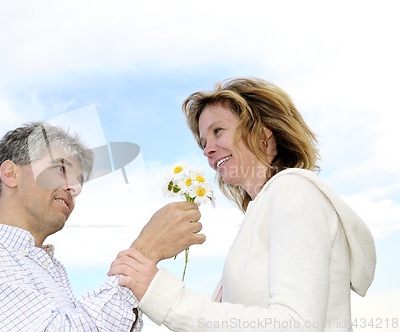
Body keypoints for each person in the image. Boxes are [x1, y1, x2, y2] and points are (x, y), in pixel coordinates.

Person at [109, 77, 377, 331]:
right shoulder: (263, 210)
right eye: (203, 142)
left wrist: (161, 294)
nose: (207, 150)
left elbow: (296, 324)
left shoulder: (294, 191)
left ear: (263, 134)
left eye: (218, 131)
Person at [0, 122, 205, 331]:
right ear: (10, 173)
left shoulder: (49, 269)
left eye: (78, 179)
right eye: (60, 169)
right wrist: (145, 251)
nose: (73, 187)